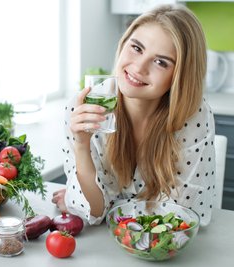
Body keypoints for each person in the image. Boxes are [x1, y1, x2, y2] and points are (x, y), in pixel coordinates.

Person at [52, 4, 216, 227]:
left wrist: (105, 203)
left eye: (161, 62)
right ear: (123, 43)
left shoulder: (192, 114)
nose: (139, 67)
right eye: (137, 48)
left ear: (181, 76)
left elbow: (181, 216)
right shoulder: (85, 108)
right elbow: (93, 211)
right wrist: (81, 145)